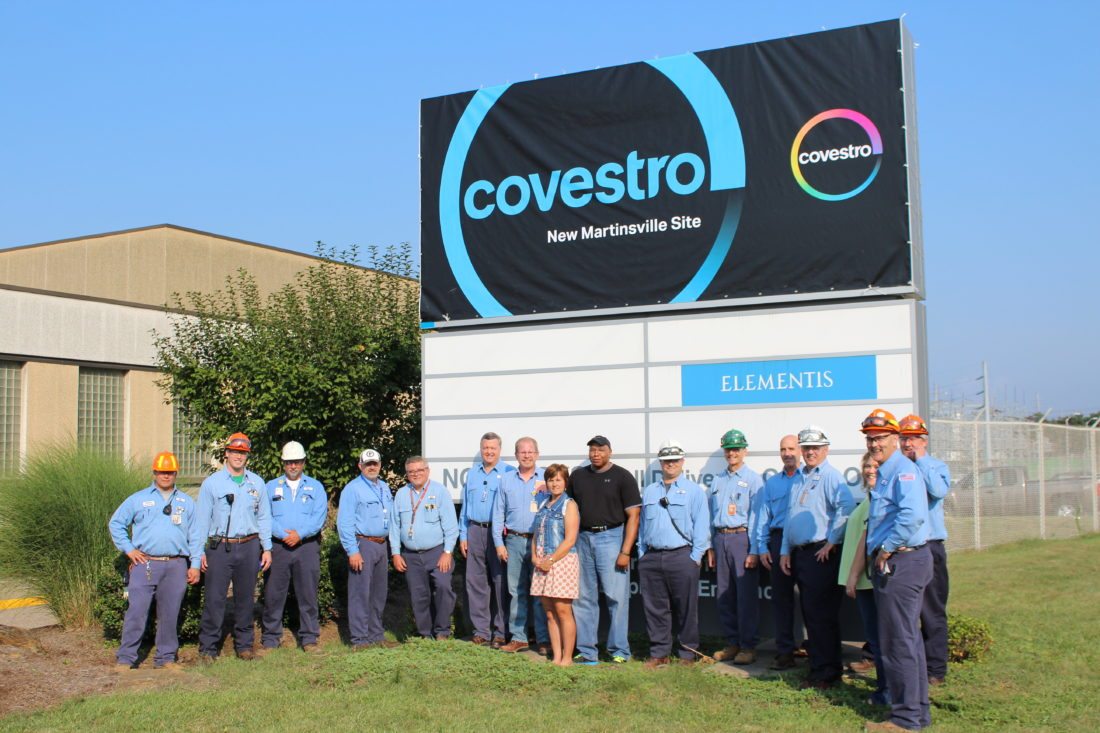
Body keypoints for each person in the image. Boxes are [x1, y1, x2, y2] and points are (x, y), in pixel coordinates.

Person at [862, 408, 933, 732]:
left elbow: (912, 516)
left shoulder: (902, 471)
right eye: (870, 439)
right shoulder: (888, 469)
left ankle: (905, 720)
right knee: (908, 641)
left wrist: (887, 548)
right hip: (901, 561)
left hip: (901, 561)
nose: (874, 444)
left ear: (895, 438)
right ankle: (917, 713)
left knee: (897, 643)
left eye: (879, 438)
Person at [108, 451, 201, 669]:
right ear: (155, 472)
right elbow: (116, 524)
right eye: (162, 472)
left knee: (170, 614)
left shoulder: (186, 502)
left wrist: (195, 565)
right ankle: (126, 658)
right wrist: (129, 550)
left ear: (176, 473)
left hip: (176, 564)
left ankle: (166, 658)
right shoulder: (138, 499)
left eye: (169, 472)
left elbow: (196, 535)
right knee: (137, 611)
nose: (165, 476)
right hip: (145, 564)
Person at [779, 425, 855, 689]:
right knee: (811, 615)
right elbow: (790, 516)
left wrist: (832, 541)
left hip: (820, 555)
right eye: (807, 448)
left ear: (826, 449)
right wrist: (785, 550)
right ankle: (818, 667)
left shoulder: (832, 477)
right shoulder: (799, 477)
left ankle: (828, 672)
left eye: (815, 448)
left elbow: (846, 509)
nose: (810, 452)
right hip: (800, 554)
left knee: (822, 616)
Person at [195, 432, 272, 661]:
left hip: (249, 546)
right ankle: (208, 648)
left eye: (243, 453)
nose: (239, 456)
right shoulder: (212, 484)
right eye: (235, 452)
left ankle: (245, 645)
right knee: (215, 598)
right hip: (220, 547)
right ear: (226, 453)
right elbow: (201, 521)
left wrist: (266, 548)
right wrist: (198, 552)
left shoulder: (256, 483)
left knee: (245, 598)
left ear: (247, 456)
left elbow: (264, 517)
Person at [568, 435, 642, 665]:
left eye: (600, 450)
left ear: (610, 451)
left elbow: (634, 516)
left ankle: (619, 650)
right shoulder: (578, 476)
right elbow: (568, 508)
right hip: (582, 538)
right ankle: (587, 651)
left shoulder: (622, 476)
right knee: (583, 598)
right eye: (592, 450)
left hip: (612, 538)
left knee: (616, 597)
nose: (595, 454)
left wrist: (626, 550)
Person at [637, 440, 711, 668]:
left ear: (682, 462)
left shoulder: (694, 491)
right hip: (651, 557)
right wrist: (642, 554)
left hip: (682, 557)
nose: (670, 464)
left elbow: (701, 525)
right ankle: (659, 653)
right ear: (661, 462)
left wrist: (695, 556)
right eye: (666, 460)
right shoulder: (650, 491)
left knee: (686, 608)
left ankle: (688, 653)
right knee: (655, 608)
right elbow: (642, 528)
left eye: (674, 460)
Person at [899, 414, 951, 686]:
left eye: (912, 438)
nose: (907, 443)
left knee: (931, 611)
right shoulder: (895, 468)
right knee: (904, 612)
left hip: (929, 545)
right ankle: (912, 664)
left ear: (924, 440)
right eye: (904, 438)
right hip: (901, 549)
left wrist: (920, 461)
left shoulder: (936, 466)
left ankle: (935, 669)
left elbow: (938, 490)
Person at [261, 441, 328, 652]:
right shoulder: (270, 486)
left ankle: (309, 638)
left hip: (306, 546)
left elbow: (319, 517)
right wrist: (283, 534)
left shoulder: (315, 487)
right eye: (289, 462)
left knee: (308, 593)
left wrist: (299, 535)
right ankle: (271, 638)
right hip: (279, 547)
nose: (293, 466)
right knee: (273, 593)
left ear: (303, 462)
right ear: (283, 463)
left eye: (297, 462)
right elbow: (264, 516)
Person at [708, 428, 764, 665]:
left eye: (737, 449)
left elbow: (757, 516)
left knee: (745, 596)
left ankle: (748, 646)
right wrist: (710, 545)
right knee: (725, 594)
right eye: (729, 449)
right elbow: (711, 514)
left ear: (745, 451)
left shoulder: (754, 479)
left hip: (742, 538)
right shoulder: (717, 480)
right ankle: (733, 643)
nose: (732, 453)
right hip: (721, 538)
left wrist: (754, 550)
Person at [390, 456, 459, 639]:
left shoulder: (440, 491)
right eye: (411, 471)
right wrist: (396, 553)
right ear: (407, 474)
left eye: (420, 470)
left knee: (444, 588)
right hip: (410, 555)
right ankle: (425, 634)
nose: (416, 474)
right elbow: (394, 526)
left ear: (427, 471)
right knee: (418, 595)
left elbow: (451, 527)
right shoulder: (402, 494)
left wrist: (448, 552)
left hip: (437, 552)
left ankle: (442, 631)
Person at [493, 437, 550, 653]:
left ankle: (543, 639)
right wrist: (499, 543)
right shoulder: (506, 480)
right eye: (522, 452)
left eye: (530, 451)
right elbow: (498, 514)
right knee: (516, 591)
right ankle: (519, 638)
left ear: (537, 454)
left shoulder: (547, 478)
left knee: (540, 592)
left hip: (541, 543)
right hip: (514, 541)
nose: (526, 455)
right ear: (516, 455)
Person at [842, 453, 890, 707]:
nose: (871, 470)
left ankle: (887, 692)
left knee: (881, 638)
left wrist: (853, 573)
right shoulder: (870, 498)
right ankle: (886, 688)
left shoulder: (880, 500)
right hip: (866, 580)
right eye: (867, 466)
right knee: (876, 637)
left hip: (872, 579)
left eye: (876, 466)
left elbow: (865, 539)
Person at [337, 448, 398, 650]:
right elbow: (344, 523)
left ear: (380, 465)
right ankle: (360, 639)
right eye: (367, 464)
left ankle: (376, 635)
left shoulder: (385, 487)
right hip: (362, 544)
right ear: (360, 466)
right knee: (360, 592)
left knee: (378, 593)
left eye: (375, 463)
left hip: (382, 545)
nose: (372, 467)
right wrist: (352, 550)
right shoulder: (352, 489)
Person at [458, 432, 514, 648]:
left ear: (500, 450)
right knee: (476, 582)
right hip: (474, 530)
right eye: (485, 448)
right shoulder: (472, 474)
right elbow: (465, 506)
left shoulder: (509, 472)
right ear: (481, 449)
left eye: (493, 448)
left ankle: (501, 631)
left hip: (498, 534)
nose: (489, 452)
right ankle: (481, 630)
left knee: (500, 582)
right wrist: (463, 534)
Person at [755, 434, 802, 670]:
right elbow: (764, 517)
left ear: (801, 450)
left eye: (791, 448)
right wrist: (762, 546)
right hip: (777, 540)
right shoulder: (772, 483)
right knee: (782, 601)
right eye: (783, 449)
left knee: (813, 600)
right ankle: (785, 651)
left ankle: (814, 648)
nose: (787, 453)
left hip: (803, 543)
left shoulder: (810, 479)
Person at [529, 463, 580, 666]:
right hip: (542, 563)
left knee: (563, 610)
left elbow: (570, 540)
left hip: (561, 562)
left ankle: (567, 657)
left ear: (565, 482)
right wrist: (534, 557)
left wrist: (551, 560)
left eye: (558, 479)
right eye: (551, 479)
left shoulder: (570, 505)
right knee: (549, 612)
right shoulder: (544, 505)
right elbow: (536, 536)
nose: (554, 483)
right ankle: (556, 656)